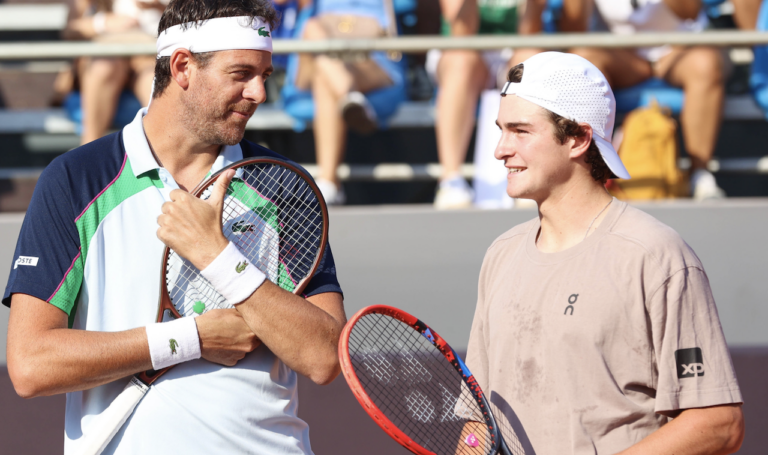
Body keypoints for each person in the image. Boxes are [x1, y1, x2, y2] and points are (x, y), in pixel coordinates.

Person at [5, 0, 346, 454]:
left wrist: (218, 257)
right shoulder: (74, 180)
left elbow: (324, 356)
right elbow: (30, 364)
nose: (259, 94)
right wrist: (191, 339)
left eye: (266, 75)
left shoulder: (284, 184)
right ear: (183, 66)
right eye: (241, 73)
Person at [465, 52, 744, 454]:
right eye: (501, 130)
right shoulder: (500, 255)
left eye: (520, 131)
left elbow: (719, 423)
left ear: (578, 138)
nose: (500, 150)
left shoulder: (656, 255)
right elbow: (477, 421)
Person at [559, 0, 727, 200]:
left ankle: (700, 174)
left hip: (680, 49)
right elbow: (572, 30)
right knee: (583, 60)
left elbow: (689, 11)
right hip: (623, 55)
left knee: (705, 64)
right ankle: (587, 172)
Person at [297, 0, 406, 205]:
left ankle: (329, 183)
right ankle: (349, 95)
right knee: (315, 36)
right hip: (317, 63)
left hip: (372, 66)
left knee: (325, 77)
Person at [64, 0, 168, 145]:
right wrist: (104, 23)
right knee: (104, 67)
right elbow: (71, 29)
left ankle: (161, 152)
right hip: (109, 50)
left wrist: (159, 8)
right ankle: (90, 151)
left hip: (151, 52)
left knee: (154, 77)